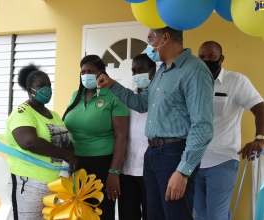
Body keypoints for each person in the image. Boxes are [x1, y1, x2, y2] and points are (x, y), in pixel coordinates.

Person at [97, 26, 214, 220]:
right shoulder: (162, 71)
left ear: (165, 38)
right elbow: (142, 104)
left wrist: (183, 171)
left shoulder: (194, 70)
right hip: (153, 154)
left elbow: (202, 126)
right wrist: (112, 85)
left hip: (174, 153)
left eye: (150, 38)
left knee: (175, 215)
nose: (148, 45)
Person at [193, 41, 264, 220]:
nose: (206, 60)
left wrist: (260, 137)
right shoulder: (192, 82)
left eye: (211, 56)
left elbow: (260, 109)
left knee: (216, 216)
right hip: (192, 160)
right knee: (200, 214)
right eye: (202, 57)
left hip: (222, 159)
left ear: (221, 58)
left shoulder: (236, 81)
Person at [5, 64, 78, 220]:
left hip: (54, 183)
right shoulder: (22, 112)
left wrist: (72, 156)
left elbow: (65, 139)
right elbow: (29, 142)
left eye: (49, 85)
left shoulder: (53, 115)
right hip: (27, 181)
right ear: (29, 88)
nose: (47, 89)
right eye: (41, 86)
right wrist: (66, 154)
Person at [62, 55, 129, 220]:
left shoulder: (114, 96)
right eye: (83, 71)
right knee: (77, 211)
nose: (86, 75)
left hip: (102, 163)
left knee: (101, 212)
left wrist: (114, 172)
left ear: (101, 73)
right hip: (76, 164)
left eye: (90, 71)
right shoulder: (75, 96)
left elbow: (122, 136)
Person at [118, 53, 156, 220]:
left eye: (142, 70)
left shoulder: (160, 98)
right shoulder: (126, 98)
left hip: (150, 170)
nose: (137, 74)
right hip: (126, 170)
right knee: (127, 215)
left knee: (152, 214)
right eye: (134, 71)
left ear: (152, 71)